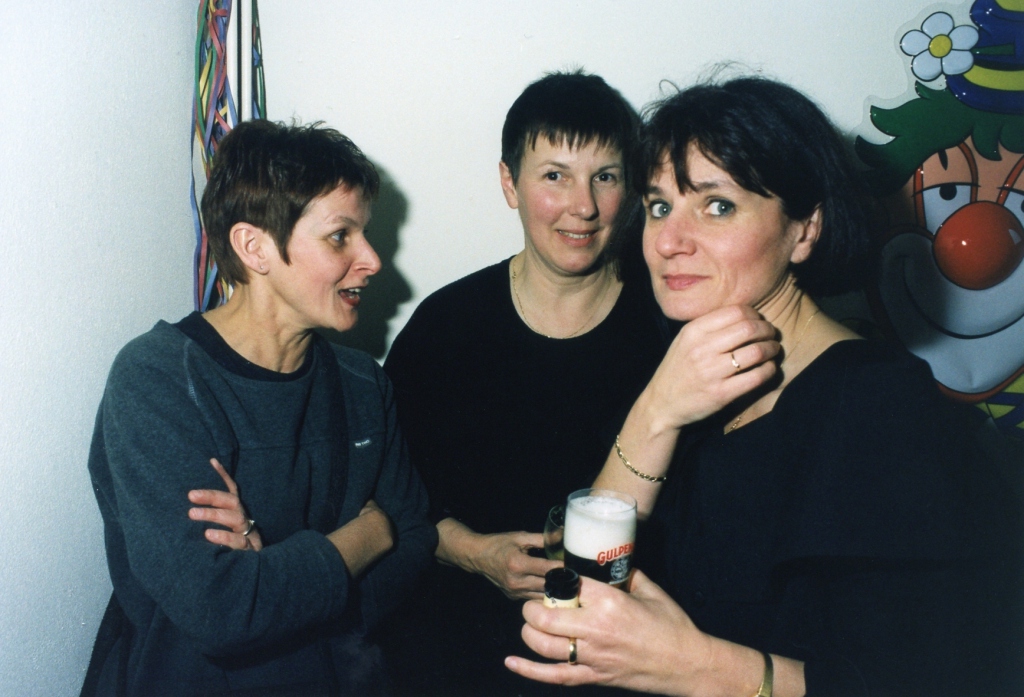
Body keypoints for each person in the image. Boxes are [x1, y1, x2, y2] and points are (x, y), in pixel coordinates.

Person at [506, 76, 1024, 696]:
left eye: (717, 206)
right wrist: (655, 414)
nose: (667, 241)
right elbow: (585, 590)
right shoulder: (685, 372)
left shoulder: (883, 409)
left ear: (805, 230)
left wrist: (694, 666)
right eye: (660, 206)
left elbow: (943, 680)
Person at [82, 120, 437, 697]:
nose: (372, 259)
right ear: (254, 248)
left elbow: (414, 541)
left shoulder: (363, 384)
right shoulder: (158, 379)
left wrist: (274, 573)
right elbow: (223, 611)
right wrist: (367, 535)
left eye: (364, 234)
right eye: (340, 236)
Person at [379, 70, 668, 695]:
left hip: (626, 647)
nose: (583, 206)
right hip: (461, 641)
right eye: (555, 176)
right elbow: (389, 496)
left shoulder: (668, 324)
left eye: (605, 177)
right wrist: (473, 553)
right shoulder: (446, 326)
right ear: (510, 183)